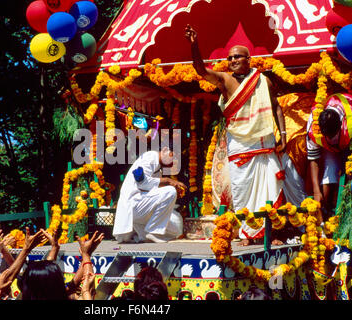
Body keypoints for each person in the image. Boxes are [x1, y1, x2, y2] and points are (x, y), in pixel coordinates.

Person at [184, 25, 287, 246]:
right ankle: (247, 233)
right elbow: (201, 71)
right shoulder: (224, 80)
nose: (232, 61)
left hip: (264, 141)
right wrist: (195, 45)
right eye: (230, 58)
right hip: (239, 143)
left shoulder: (263, 81)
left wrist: (284, 134)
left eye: (237, 57)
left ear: (248, 59)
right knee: (242, 188)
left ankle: (274, 232)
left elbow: (276, 107)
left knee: (271, 185)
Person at [112, 144, 186, 243]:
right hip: (133, 205)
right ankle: (153, 232)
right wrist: (169, 181)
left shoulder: (157, 167)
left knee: (176, 225)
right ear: (164, 150)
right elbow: (142, 183)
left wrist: (172, 186)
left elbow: (151, 189)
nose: (173, 162)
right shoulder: (150, 157)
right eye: (173, 156)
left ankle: (140, 234)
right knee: (170, 192)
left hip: (142, 208)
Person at [306, 93, 352, 219]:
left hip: (349, 143)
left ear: (341, 124)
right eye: (327, 136)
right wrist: (316, 191)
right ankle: (326, 215)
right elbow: (313, 159)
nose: (330, 138)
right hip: (329, 147)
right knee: (328, 175)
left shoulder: (349, 121)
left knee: (347, 179)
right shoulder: (313, 125)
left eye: (332, 135)